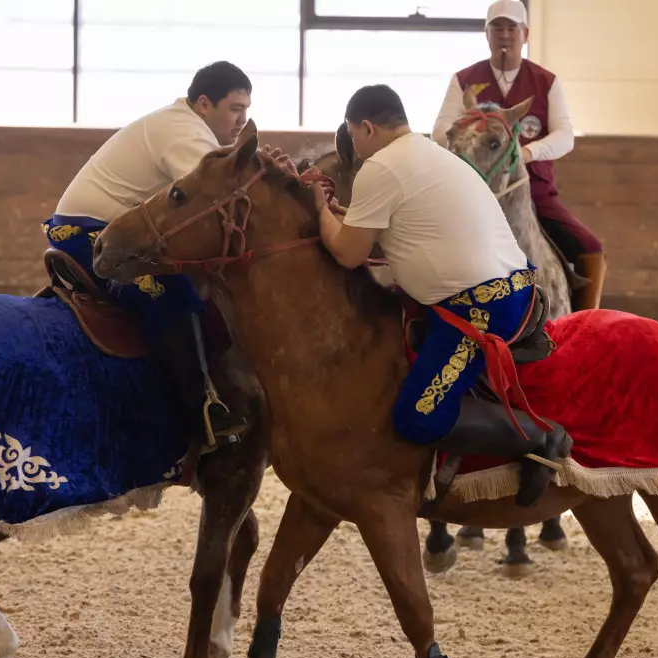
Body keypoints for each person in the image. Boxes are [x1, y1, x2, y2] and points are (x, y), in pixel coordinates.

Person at [312, 84, 573, 510]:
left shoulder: (380, 167)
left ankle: (540, 436)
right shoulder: (435, 154)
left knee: (416, 416)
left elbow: (347, 253)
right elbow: (396, 227)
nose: (355, 147)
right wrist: (345, 215)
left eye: (354, 136)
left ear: (365, 127)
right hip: (512, 290)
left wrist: (319, 207)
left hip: (480, 311)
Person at [42, 60, 256, 451]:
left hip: (111, 229)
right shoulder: (183, 132)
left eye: (246, 110)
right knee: (173, 294)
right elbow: (221, 198)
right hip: (93, 232)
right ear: (204, 104)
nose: (242, 119)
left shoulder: (188, 127)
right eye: (235, 109)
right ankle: (203, 413)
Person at [431, 0, 606, 311]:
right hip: (473, 191)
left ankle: (587, 323)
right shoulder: (464, 80)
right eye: (497, 28)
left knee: (590, 248)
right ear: (486, 35)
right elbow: (441, 128)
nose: (505, 35)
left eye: (512, 28)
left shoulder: (547, 82)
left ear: (526, 35)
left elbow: (565, 135)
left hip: (533, 191)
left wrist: (526, 152)